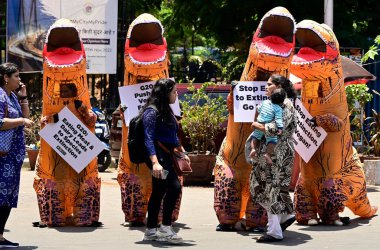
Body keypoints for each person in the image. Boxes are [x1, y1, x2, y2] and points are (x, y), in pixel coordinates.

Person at [248, 74, 297, 243]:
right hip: (275, 151)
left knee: (271, 188)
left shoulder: (286, 104)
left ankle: (275, 229)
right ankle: (286, 215)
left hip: (278, 152)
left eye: (269, 84)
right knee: (270, 187)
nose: (265, 87)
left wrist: (256, 125)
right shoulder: (273, 104)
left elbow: (276, 129)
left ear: (278, 87)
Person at [141, 78, 190, 244]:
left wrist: (182, 152)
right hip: (158, 157)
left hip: (166, 155)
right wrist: (155, 162)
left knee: (159, 191)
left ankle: (151, 230)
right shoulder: (151, 112)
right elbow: (148, 138)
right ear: (165, 93)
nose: (176, 94)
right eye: (174, 91)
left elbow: (173, 135)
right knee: (174, 187)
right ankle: (166, 228)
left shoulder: (166, 110)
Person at [0, 62, 33, 248]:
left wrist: (23, 97)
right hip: (3, 156)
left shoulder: (11, 96)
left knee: (8, 197)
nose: (20, 80)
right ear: (6, 77)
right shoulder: (0, 96)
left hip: (13, 155)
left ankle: (0, 236)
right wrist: (21, 120)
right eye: (17, 76)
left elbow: (25, 116)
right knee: (1, 196)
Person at [248, 88, 286, 165]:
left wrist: (255, 121)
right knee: (272, 140)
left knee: (255, 137)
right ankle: (268, 154)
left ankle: (253, 149)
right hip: (268, 126)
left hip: (259, 122)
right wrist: (280, 128)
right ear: (281, 101)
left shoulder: (265, 102)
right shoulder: (278, 108)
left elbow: (258, 109)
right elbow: (278, 119)